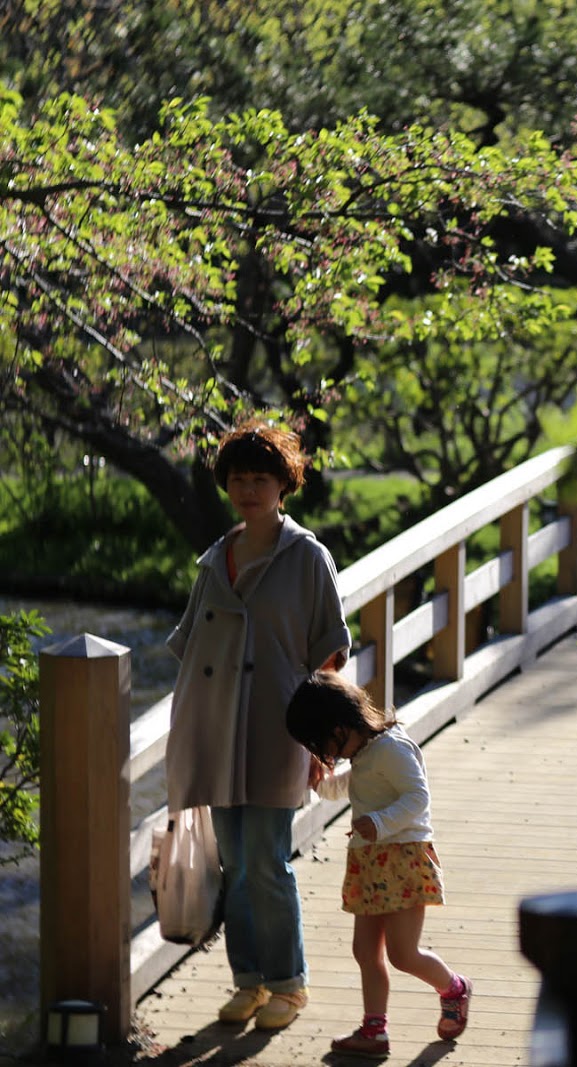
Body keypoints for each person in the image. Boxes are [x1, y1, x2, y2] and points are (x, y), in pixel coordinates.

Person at [165, 420, 351, 1030]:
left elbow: (330, 655)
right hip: (217, 731)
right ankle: (247, 981)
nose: (248, 489)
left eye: (260, 478)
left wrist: (324, 741)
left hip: (281, 730)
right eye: (238, 478)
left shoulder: (308, 558)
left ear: (283, 484)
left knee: (268, 860)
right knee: (234, 864)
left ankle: (288, 985)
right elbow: (188, 648)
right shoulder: (214, 560)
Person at [286, 670, 472, 1056]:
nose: (327, 754)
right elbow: (351, 786)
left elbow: (417, 797)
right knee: (365, 952)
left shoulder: (391, 748)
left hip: (403, 859)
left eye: (323, 745)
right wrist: (320, 783)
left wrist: (379, 822)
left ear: (339, 728)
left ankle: (454, 987)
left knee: (403, 954)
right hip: (370, 862)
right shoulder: (364, 752)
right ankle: (375, 1031)